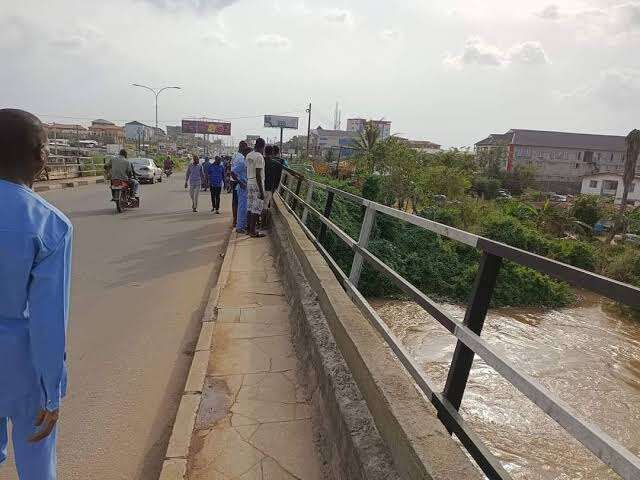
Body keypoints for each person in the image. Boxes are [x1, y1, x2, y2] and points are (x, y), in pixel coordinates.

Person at [0, 109, 73, 480]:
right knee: (36, 462)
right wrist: (52, 391)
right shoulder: (48, 223)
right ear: (40, 156)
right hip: (20, 364)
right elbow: (49, 319)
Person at [245, 138, 266, 237]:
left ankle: (249, 229)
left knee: (249, 207)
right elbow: (258, 174)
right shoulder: (259, 157)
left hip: (249, 182)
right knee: (256, 207)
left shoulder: (249, 155)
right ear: (262, 146)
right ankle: (253, 231)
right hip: (256, 184)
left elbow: (248, 169)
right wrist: (262, 191)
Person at [264, 144, 285, 226]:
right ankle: (263, 223)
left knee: (261, 203)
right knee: (266, 203)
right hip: (272, 184)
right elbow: (285, 170)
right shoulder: (280, 161)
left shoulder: (262, 160)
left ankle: (260, 222)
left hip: (262, 184)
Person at [232, 143, 250, 233]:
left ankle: (244, 225)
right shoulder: (242, 163)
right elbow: (232, 172)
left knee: (245, 208)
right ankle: (239, 227)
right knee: (242, 208)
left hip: (246, 187)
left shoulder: (247, 163)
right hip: (242, 187)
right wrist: (240, 182)